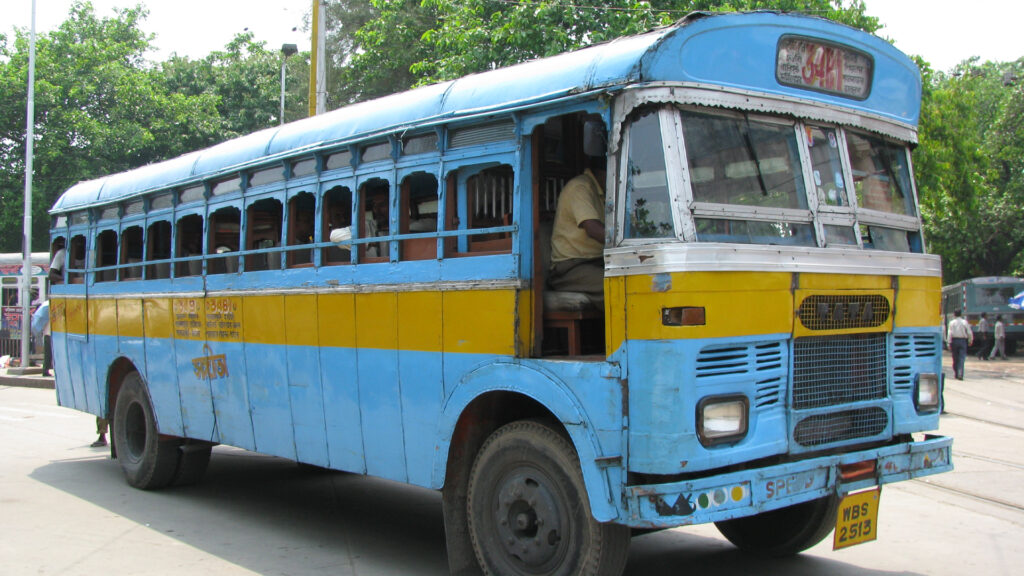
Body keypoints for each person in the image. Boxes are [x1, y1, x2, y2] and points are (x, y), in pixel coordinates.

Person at [548, 162, 606, 305]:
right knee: (619, 286)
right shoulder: (580, 187)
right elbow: (592, 228)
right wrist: (623, 241)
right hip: (570, 269)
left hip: (595, 263)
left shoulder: (602, 193)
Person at [947, 309, 973, 380]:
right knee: (961, 358)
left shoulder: (952, 323)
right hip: (962, 341)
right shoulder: (964, 322)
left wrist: (948, 342)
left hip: (954, 341)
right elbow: (969, 332)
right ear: (961, 314)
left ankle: (956, 373)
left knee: (955, 358)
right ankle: (960, 373)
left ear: (954, 314)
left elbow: (950, 333)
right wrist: (970, 340)